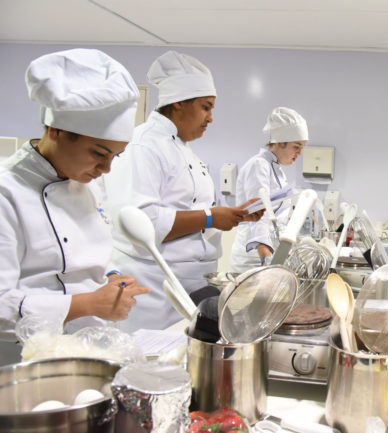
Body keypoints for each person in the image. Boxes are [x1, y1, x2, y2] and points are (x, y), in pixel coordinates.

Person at [0, 49, 150, 365]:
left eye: (114, 157)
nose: (106, 169)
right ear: (56, 130)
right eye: (99, 153)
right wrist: (87, 304)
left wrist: (112, 277)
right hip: (28, 362)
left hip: (89, 351)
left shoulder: (84, 183)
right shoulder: (7, 192)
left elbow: (92, 252)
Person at [102, 51, 262, 332]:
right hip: (156, 290)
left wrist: (235, 215)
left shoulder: (182, 149)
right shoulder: (143, 146)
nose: (211, 118)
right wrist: (211, 217)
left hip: (191, 283)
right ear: (177, 103)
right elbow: (144, 224)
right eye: (205, 107)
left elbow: (191, 214)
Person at [229, 107, 308, 272]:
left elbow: (277, 217)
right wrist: (264, 254)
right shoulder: (259, 165)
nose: (300, 153)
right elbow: (259, 213)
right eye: (296, 147)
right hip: (253, 258)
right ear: (280, 142)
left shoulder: (276, 169)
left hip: (269, 253)